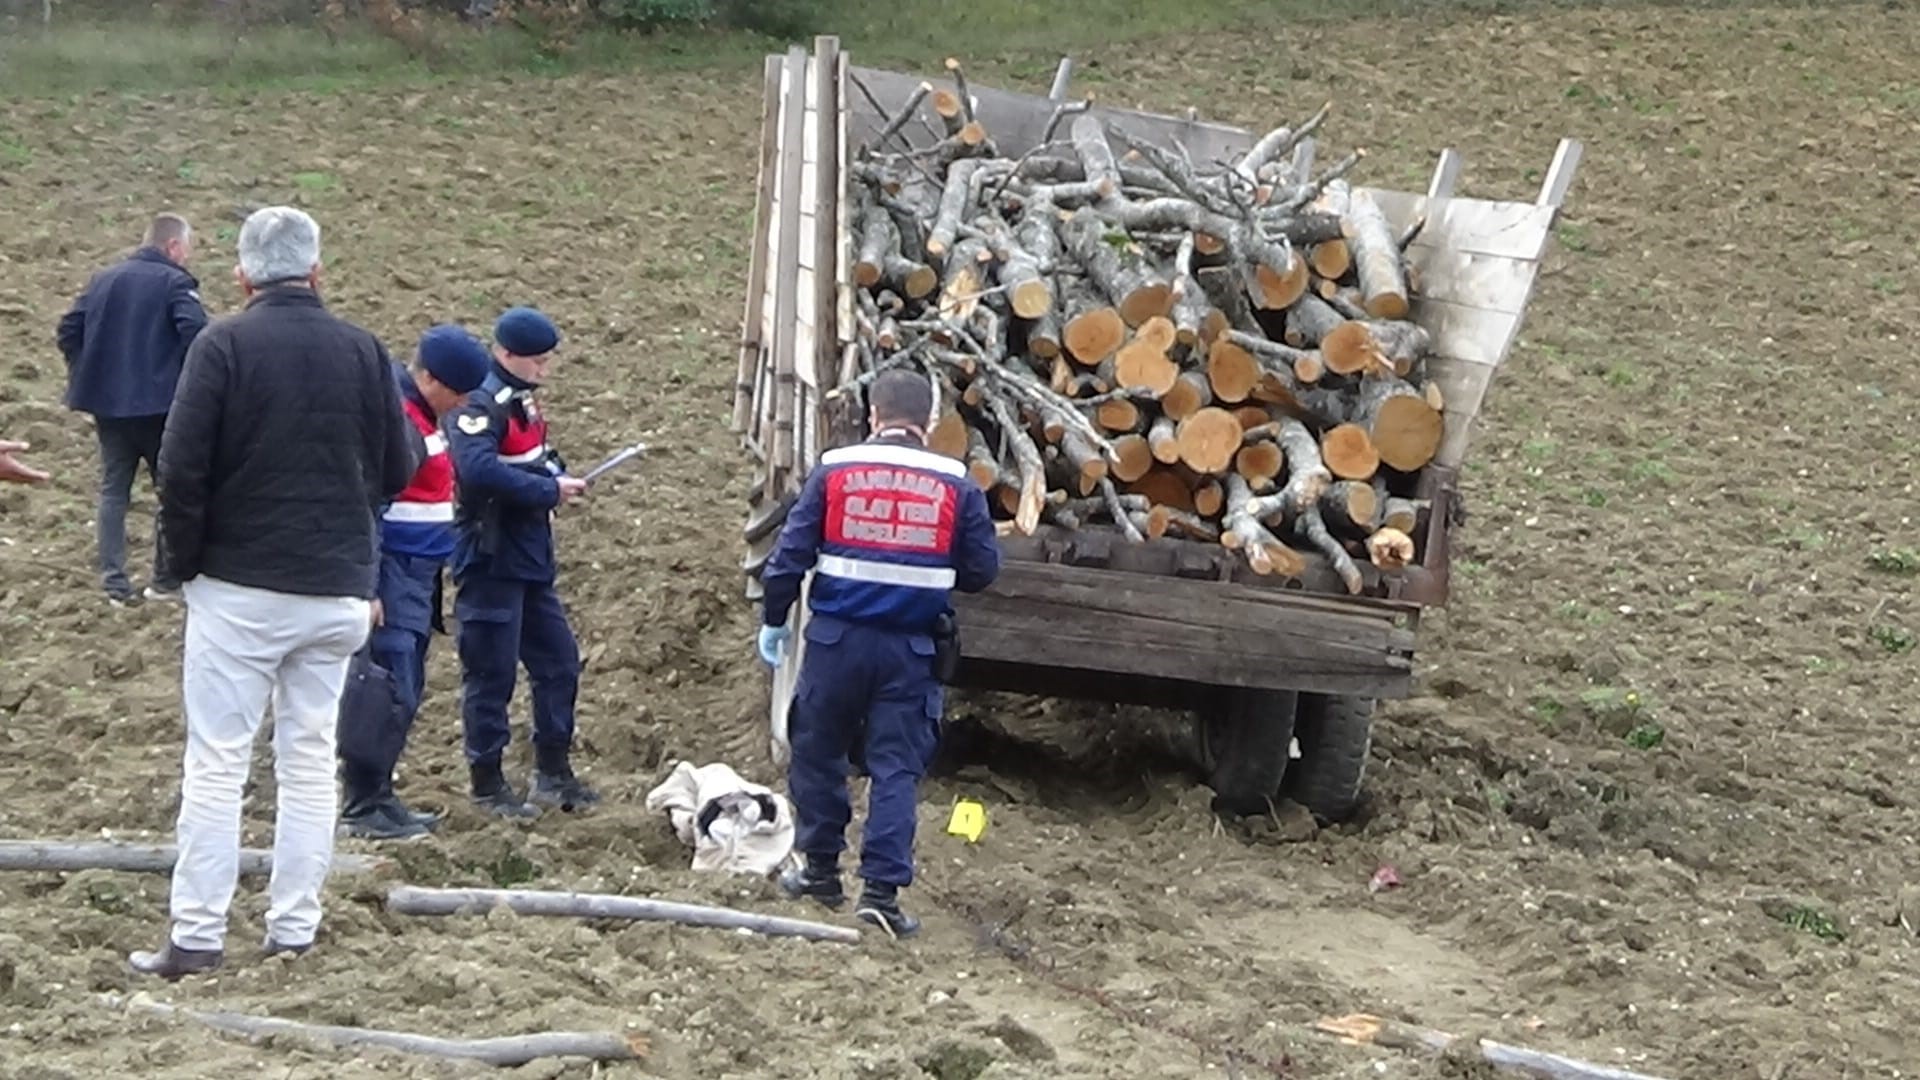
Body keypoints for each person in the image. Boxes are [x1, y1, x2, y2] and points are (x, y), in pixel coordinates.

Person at [131, 206, 417, 980]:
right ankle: (295, 929)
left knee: (220, 761)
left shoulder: (222, 344)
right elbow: (398, 466)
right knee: (307, 759)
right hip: (334, 595)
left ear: (241, 275)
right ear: (318, 271)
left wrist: (178, 567)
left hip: (241, 586)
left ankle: (196, 935)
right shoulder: (362, 350)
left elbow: (181, 468)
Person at [757, 368, 1001, 938]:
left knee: (818, 755)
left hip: (834, 641)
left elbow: (789, 555)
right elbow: (983, 571)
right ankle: (881, 895)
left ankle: (819, 871)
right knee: (896, 769)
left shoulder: (836, 469)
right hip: (911, 650)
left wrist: (774, 620)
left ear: (874, 416)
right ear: (931, 421)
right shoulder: (957, 482)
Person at [335, 324, 494, 841]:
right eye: (458, 390)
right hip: (396, 571)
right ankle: (364, 801)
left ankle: (380, 795)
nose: (465, 401)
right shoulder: (400, 421)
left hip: (420, 573)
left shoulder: (423, 415)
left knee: (407, 684)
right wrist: (370, 586)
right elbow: (370, 508)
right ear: (428, 378)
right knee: (387, 684)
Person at [443, 306, 597, 819]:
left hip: (529, 558)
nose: (544, 370)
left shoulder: (522, 404)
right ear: (507, 354)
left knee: (558, 662)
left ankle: (553, 770)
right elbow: (477, 470)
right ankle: (487, 783)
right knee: (491, 674)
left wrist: (557, 475)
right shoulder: (482, 405)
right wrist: (548, 490)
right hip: (492, 557)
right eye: (537, 361)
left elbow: (535, 455)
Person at [55, 212, 209, 604]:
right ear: (173, 246)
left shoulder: (103, 279)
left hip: (109, 407)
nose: (187, 257)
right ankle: (164, 581)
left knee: (113, 491)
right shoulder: (176, 282)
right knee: (171, 492)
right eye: (187, 249)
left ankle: (113, 583)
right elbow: (198, 335)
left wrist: (89, 374)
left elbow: (68, 330)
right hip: (163, 410)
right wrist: (185, 383)